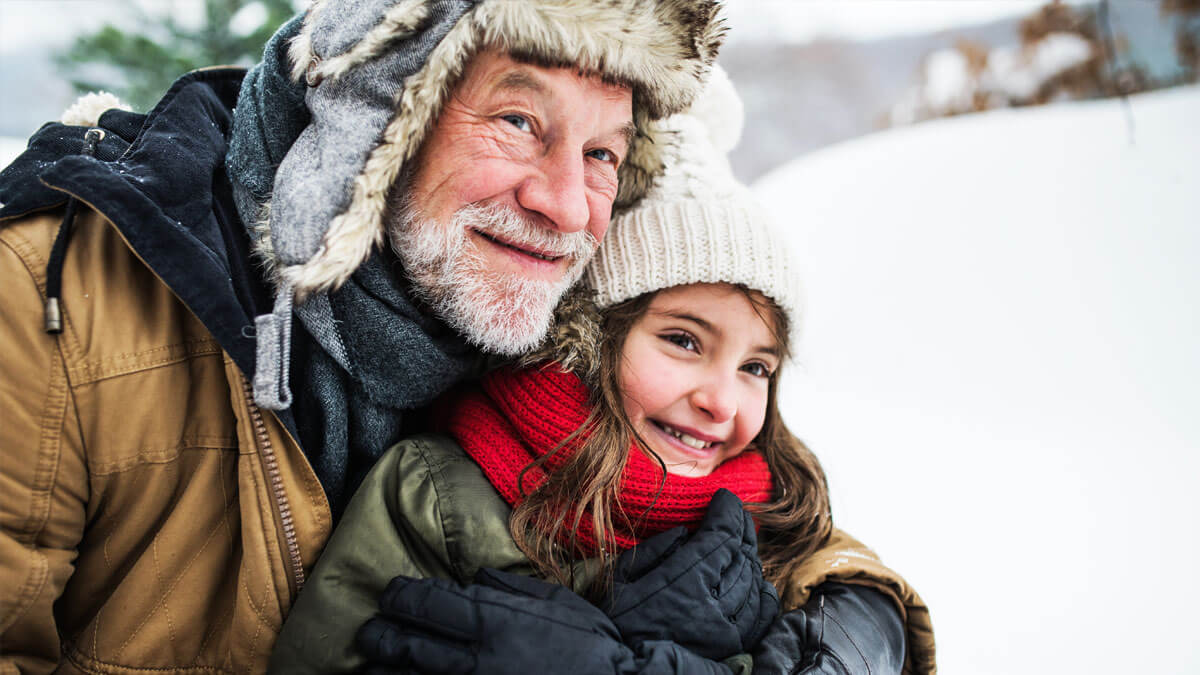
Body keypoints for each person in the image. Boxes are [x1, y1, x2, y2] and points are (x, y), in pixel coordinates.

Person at [0, 1, 727, 672]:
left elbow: (818, 561)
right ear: (381, 114)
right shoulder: (54, 306)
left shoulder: (594, 341)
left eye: (603, 154)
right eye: (517, 121)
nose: (567, 208)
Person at [270, 69, 937, 674]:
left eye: (756, 367)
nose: (721, 400)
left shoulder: (773, 518)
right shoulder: (441, 497)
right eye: (683, 340)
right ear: (588, 340)